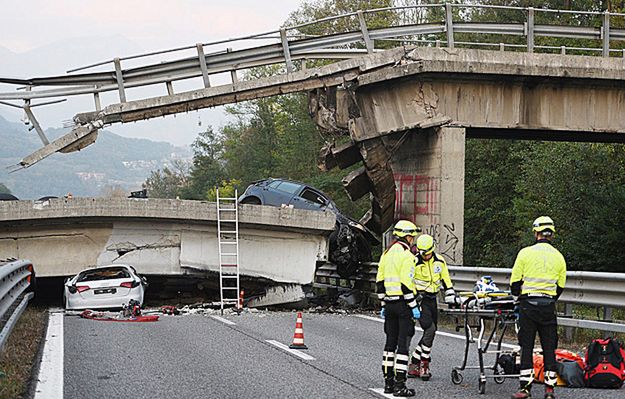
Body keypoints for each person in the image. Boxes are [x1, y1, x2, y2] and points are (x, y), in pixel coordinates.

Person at [510, 216, 566, 399]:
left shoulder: (525, 253)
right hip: (548, 306)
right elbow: (560, 286)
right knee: (549, 347)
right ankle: (550, 390)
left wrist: (519, 297)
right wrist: (549, 299)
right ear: (551, 234)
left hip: (528, 306)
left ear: (536, 232)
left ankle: (525, 389)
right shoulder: (559, 256)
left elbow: (515, 283)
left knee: (526, 346)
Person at [376, 220, 421, 396]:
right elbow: (406, 285)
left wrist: (383, 304)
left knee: (389, 345)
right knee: (402, 346)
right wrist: (414, 306)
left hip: (389, 304)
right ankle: (400, 385)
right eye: (412, 236)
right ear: (407, 236)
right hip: (403, 305)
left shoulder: (386, 254)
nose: (413, 240)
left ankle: (388, 383)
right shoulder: (407, 255)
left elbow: (379, 282)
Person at [407, 233, 458, 381]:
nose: (427, 256)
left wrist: (450, 294)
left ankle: (414, 364)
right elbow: (408, 282)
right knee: (430, 329)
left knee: (430, 333)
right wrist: (412, 301)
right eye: (424, 254)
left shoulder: (440, 261)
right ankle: (424, 365)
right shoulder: (414, 262)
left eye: (429, 253)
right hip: (420, 300)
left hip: (432, 300)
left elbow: (446, 281)